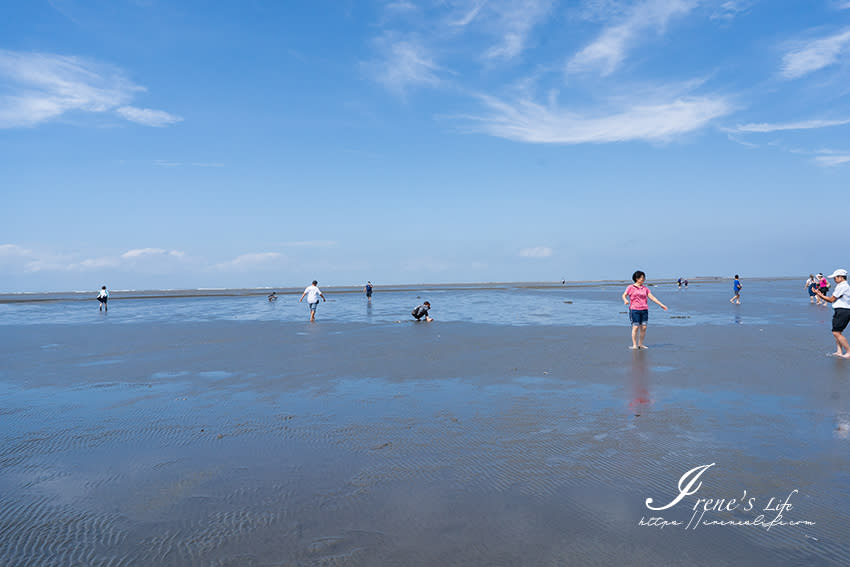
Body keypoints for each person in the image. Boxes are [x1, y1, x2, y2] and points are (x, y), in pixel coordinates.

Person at [622, 271, 667, 349]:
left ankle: (640, 344)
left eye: (644, 277)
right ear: (637, 278)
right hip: (634, 310)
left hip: (644, 309)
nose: (643, 279)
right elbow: (624, 295)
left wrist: (661, 305)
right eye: (642, 277)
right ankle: (634, 345)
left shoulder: (645, 288)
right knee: (635, 327)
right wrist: (625, 300)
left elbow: (652, 297)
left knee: (644, 327)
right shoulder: (630, 287)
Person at [811, 269, 850, 358]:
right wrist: (820, 294)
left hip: (843, 311)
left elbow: (831, 300)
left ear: (840, 277)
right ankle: (839, 351)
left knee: (836, 332)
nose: (834, 280)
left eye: (835, 278)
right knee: (837, 331)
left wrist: (819, 294)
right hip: (841, 310)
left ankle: (848, 352)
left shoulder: (842, 286)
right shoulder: (843, 286)